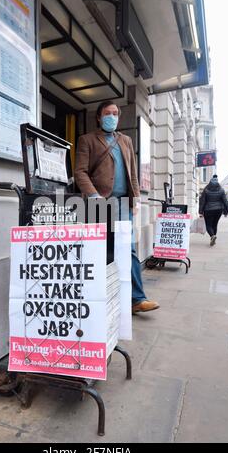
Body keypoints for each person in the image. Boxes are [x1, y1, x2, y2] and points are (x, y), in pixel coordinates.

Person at [74, 100, 159, 314]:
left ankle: (137, 299)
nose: (112, 116)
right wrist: (93, 195)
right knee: (101, 250)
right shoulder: (87, 140)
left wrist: (136, 199)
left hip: (123, 204)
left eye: (115, 113)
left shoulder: (126, 140)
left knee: (127, 249)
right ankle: (102, 300)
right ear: (99, 117)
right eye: (107, 113)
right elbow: (80, 172)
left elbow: (133, 172)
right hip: (99, 203)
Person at [199, 174, 228, 246]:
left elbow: (202, 201)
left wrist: (200, 211)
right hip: (219, 210)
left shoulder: (206, 190)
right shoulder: (221, 190)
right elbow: (225, 201)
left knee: (208, 225)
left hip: (208, 210)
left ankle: (212, 236)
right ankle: (214, 237)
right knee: (215, 224)